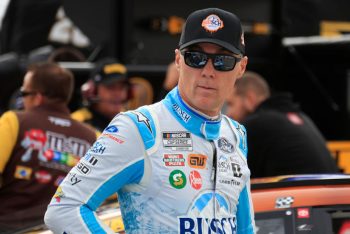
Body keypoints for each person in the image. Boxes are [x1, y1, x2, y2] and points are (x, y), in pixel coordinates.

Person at [45, 8, 256, 233]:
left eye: (222, 61)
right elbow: (64, 208)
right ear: (178, 60)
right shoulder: (139, 127)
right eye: (196, 58)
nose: (208, 71)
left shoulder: (235, 134)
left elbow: (246, 228)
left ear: (241, 67)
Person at [0, 62, 97, 232]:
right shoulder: (92, 137)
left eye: (24, 93)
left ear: (38, 97)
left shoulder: (13, 121)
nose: (22, 99)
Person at [226, 71, 339, 178]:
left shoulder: (256, 124)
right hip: (330, 193)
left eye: (231, 104)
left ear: (250, 99)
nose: (228, 113)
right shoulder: (300, 117)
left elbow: (233, 180)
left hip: (298, 195)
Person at [71, 58, 131, 132]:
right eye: (111, 87)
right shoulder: (75, 123)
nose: (117, 93)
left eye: (122, 88)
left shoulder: (133, 123)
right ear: (93, 91)